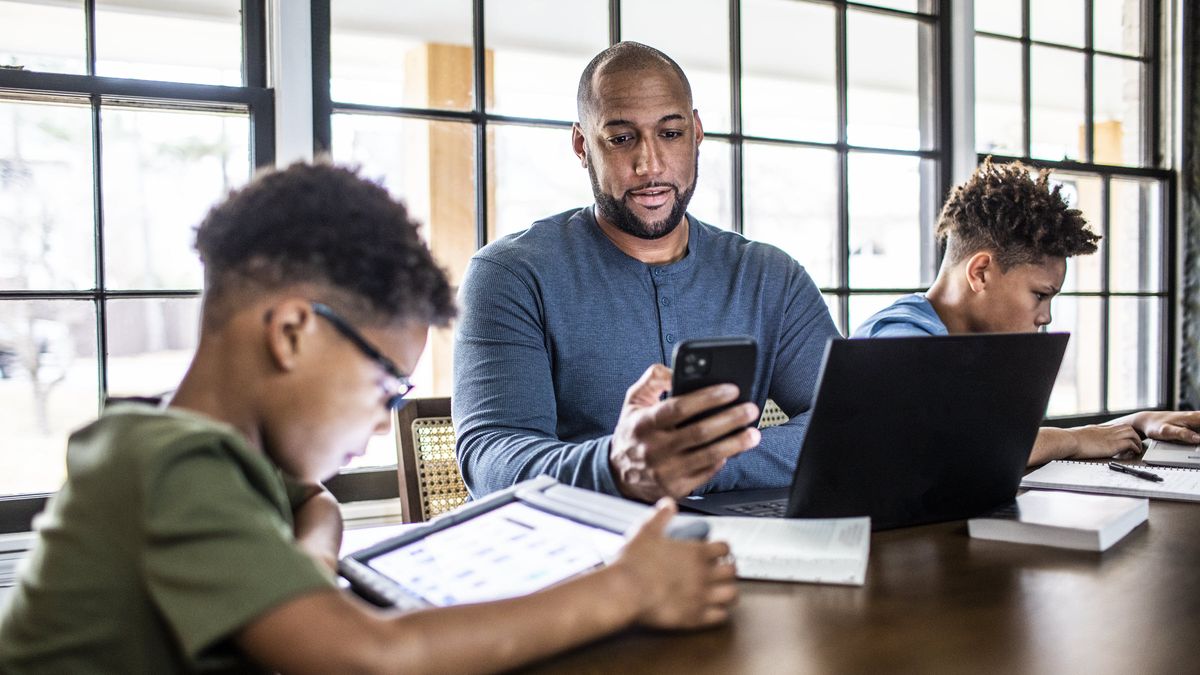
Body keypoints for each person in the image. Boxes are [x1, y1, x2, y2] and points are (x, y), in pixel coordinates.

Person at [0, 163, 738, 674]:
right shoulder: (169, 463)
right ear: (292, 332)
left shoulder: (211, 457)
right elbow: (368, 657)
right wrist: (625, 588)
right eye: (386, 387)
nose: (384, 420)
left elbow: (310, 501)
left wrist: (303, 561)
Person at [453, 42, 840, 503]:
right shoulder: (510, 276)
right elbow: (491, 457)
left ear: (696, 132)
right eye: (621, 139)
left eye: (671, 133)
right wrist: (618, 466)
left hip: (736, 549)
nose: (650, 164)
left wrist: (696, 464)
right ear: (582, 145)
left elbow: (848, 421)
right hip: (585, 554)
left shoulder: (769, 276)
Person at [853, 158, 1200, 465]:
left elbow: (1006, 441)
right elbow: (963, 449)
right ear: (980, 273)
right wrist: (1075, 438)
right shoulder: (898, 339)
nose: (1045, 316)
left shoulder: (969, 344)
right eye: (1039, 295)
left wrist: (1134, 423)